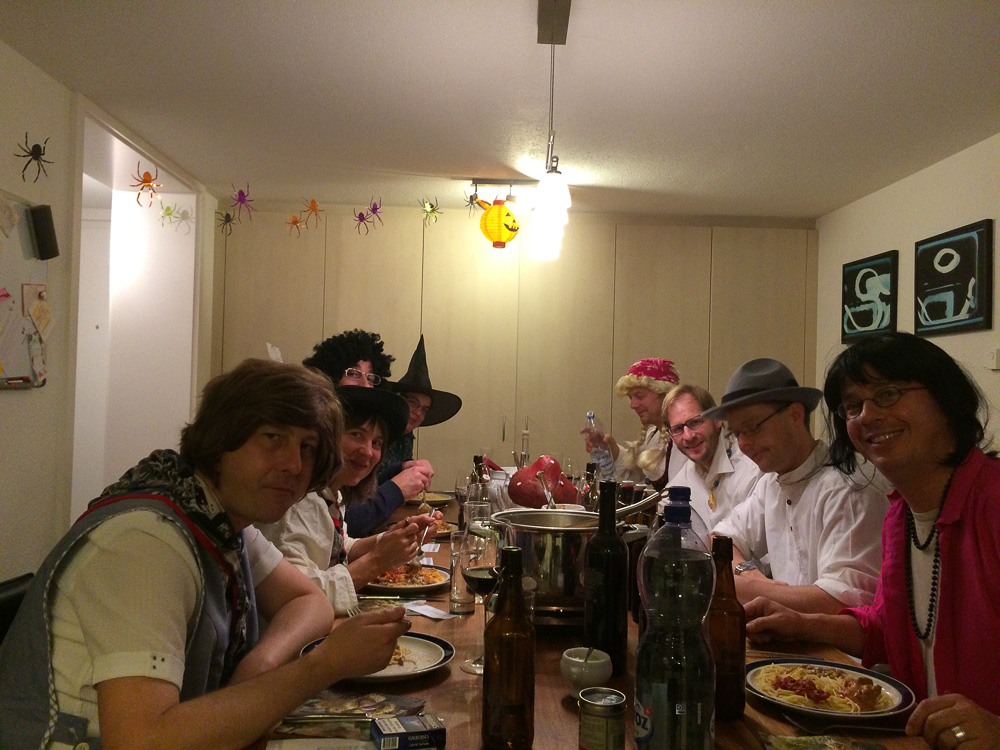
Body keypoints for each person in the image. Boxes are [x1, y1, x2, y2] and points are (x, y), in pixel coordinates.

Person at [0, 359, 411, 749]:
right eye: (273, 438)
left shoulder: (222, 521)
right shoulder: (147, 541)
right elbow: (140, 741)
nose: (293, 464)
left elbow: (310, 601)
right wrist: (321, 666)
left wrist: (257, 671)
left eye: (307, 447)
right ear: (220, 438)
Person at [745, 333, 1000, 749]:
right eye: (852, 406)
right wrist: (802, 624)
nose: (867, 416)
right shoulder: (901, 515)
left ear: (946, 399)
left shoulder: (992, 503)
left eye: (888, 394)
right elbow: (889, 628)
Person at [704, 357, 888, 613]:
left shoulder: (848, 486)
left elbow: (843, 603)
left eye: (752, 428)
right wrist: (748, 574)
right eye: (736, 434)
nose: (743, 444)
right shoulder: (771, 483)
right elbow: (719, 539)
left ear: (795, 415)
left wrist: (740, 587)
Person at [259, 385, 439, 616]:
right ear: (328, 437)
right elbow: (298, 598)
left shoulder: (332, 493)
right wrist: (377, 560)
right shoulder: (297, 500)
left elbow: (341, 546)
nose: (368, 452)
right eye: (356, 434)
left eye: (376, 443)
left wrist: (395, 537)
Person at [303, 329, 435, 535]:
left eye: (371, 378)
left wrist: (399, 469)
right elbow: (350, 522)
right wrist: (397, 489)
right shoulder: (312, 444)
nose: (366, 385)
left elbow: (343, 527)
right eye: (354, 374)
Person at [662, 383, 763, 528]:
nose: (688, 436)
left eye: (695, 422)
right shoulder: (684, 477)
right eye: (678, 429)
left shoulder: (754, 469)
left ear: (717, 419)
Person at [583, 357, 686, 485]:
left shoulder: (684, 438)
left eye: (639, 396)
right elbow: (636, 477)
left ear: (665, 394)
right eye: (631, 398)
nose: (633, 405)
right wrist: (610, 447)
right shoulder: (653, 434)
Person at [378, 334, 462, 482]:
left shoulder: (406, 437)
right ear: (398, 399)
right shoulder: (376, 429)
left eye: (424, 409)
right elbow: (370, 483)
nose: (418, 413)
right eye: (413, 403)